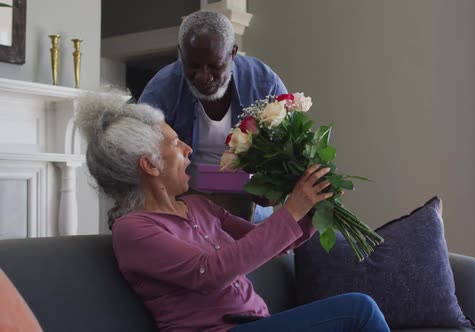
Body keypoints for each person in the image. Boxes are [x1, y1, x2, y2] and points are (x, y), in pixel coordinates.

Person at [75, 93, 390, 332]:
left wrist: (312, 206)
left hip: (256, 323)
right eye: (174, 143)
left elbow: (269, 242)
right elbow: (210, 273)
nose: (187, 149)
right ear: (149, 164)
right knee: (359, 311)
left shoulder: (198, 206)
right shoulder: (133, 231)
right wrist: (293, 207)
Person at [138, 10, 286, 222]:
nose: (203, 76)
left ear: (233, 53)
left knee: (251, 248)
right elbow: (137, 151)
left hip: (248, 198)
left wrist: (274, 187)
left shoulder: (264, 82)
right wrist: (129, 199)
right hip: (184, 196)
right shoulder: (162, 88)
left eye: (215, 66)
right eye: (193, 66)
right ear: (181, 53)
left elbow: (288, 147)